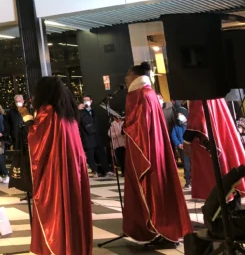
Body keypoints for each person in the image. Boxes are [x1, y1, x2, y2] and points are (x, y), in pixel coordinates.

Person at [122, 63, 192, 248]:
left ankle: (165, 231)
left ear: (136, 75)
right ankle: (160, 229)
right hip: (155, 148)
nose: (126, 78)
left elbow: (142, 127)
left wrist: (126, 127)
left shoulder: (143, 95)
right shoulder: (147, 93)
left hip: (150, 151)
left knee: (155, 190)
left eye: (128, 74)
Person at [28, 77, 92, 255]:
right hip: (72, 168)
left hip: (56, 169)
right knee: (73, 207)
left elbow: (38, 140)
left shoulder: (48, 111)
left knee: (55, 206)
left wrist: (27, 118)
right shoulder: (67, 112)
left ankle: (59, 247)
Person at [186, 98, 245, 201]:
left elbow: (197, 121)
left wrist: (187, 140)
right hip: (222, 136)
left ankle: (225, 202)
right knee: (228, 165)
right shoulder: (217, 97)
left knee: (217, 174)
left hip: (209, 144)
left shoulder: (199, 97)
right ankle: (231, 200)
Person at [78, 94, 111, 177]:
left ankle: (107, 170)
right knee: (90, 155)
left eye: (87, 100)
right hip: (87, 137)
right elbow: (77, 121)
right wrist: (78, 110)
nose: (86, 102)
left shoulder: (94, 111)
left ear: (91, 101)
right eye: (84, 100)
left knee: (101, 154)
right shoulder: (80, 112)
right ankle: (94, 171)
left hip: (97, 137)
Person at [170, 112, 191, 190]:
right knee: (186, 165)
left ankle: (194, 181)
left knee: (194, 164)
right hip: (183, 148)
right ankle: (188, 182)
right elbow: (173, 136)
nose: (179, 116)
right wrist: (179, 144)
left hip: (191, 147)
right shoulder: (176, 126)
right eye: (178, 115)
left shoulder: (190, 124)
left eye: (181, 114)